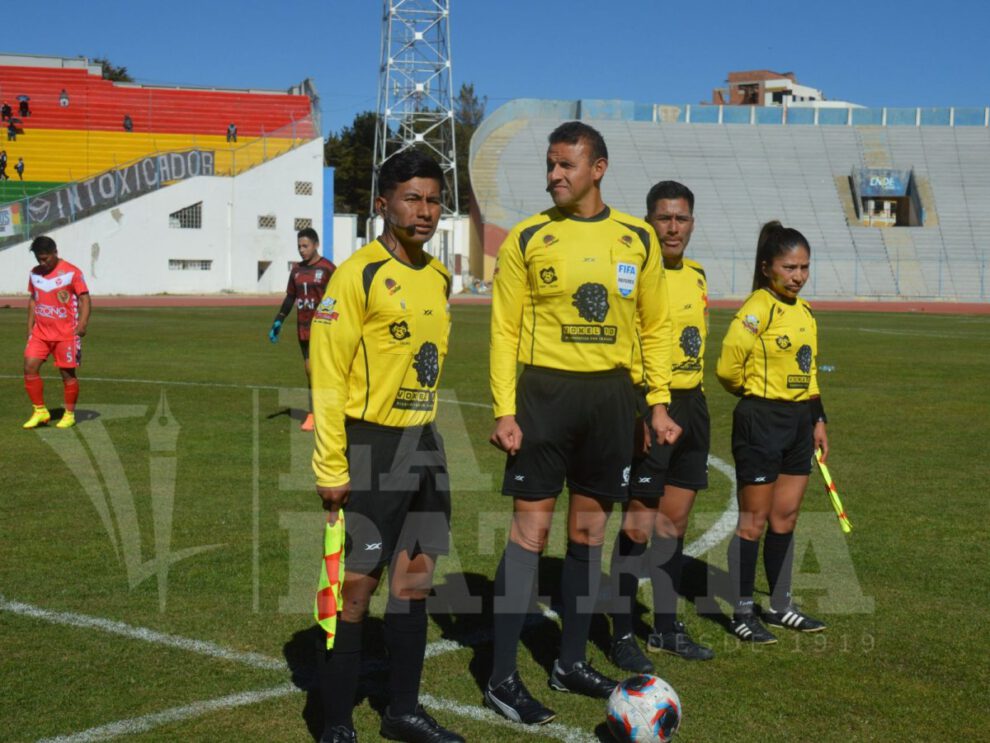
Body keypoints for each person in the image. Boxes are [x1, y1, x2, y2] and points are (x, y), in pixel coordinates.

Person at [485, 121, 680, 725]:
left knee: (588, 536)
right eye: (549, 164)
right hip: (544, 396)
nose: (553, 176)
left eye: (566, 165)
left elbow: (654, 326)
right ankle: (499, 677)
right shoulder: (527, 237)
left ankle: (569, 662)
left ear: (598, 168)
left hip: (611, 401)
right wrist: (504, 408)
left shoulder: (637, 239)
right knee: (529, 536)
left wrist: (658, 400)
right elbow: (503, 329)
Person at [310, 149, 464, 743]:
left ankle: (402, 711)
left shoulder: (439, 275)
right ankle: (336, 723)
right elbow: (326, 376)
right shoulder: (357, 275)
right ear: (382, 203)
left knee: (414, 582)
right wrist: (330, 463)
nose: (425, 211)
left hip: (423, 443)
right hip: (369, 445)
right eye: (412, 198)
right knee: (356, 590)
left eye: (432, 199)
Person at [607, 181, 715, 672]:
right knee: (639, 523)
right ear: (648, 220)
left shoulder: (697, 275)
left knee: (674, 525)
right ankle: (623, 632)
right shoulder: (631, 274)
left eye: (682, 218)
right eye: (664, 218)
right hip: (649, 404)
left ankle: (667, 628)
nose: (673, 227)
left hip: (692, 405)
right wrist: (645, 407)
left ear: (692, 222)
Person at [716, 221, 829, 644]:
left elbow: (809, 372)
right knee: (754, 522)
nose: (798, 276)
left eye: (804, 267)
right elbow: (727, 367)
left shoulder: (806, 312)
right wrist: (751, 394)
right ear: (768, 268)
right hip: (761, 421)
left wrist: (819, 420)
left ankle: (780, 605)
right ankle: (743, 612)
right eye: (789, 267)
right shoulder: (757, 308)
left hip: (800, 422)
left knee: (786, 518)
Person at [268, 227, 336, 431]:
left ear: (316, 245)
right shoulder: (297, 270)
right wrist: (279, 319)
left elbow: (338, 296)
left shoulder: (328, 268)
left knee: (325, 371)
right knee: (310, 372)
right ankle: (314, 413)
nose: (301, 250)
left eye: (305, 246)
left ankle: (328, 411)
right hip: (304, 329)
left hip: (325, 329)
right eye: (299, 246)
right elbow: (291, 297)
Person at [22, 236, 91, 430]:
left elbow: (84, 298)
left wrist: (83, 323)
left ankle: (69, 414)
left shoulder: (72, 272)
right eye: (39, 259)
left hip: (66, 334)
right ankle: (40, 411)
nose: (42, 263)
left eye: (45, 258)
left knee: (67, 375)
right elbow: (33, 300)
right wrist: (30, 327)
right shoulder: (34, 273)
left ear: (55, 253)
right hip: (40, 333)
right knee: (29, 367)